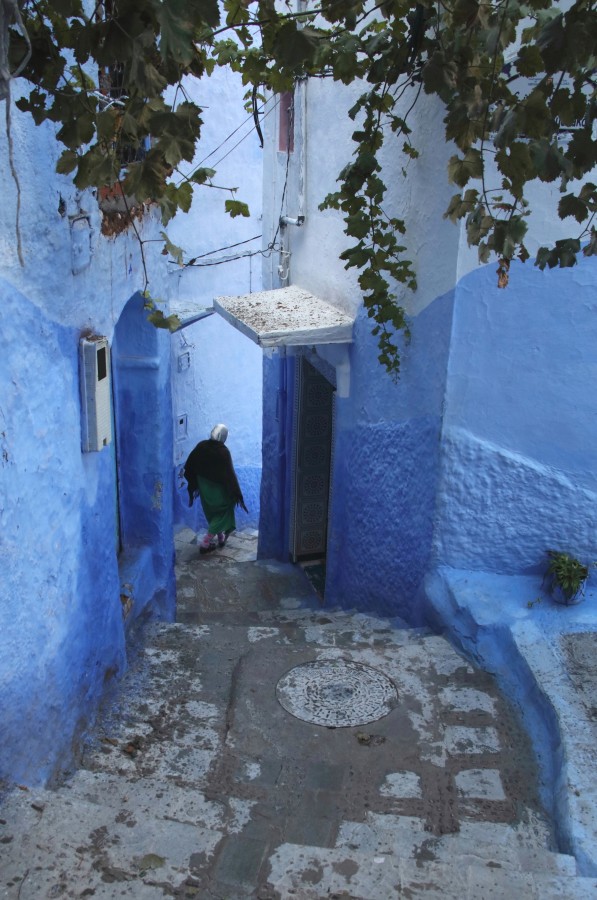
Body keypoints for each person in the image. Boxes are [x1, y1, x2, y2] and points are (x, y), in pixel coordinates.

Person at [183, 424, 248, 554]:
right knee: (225, 511)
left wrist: (197, 482)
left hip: (205, 492)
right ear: (223, 437)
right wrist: (237, 493)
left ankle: (220, 537)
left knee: (213, 513)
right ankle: (206, 542)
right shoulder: (223, 452)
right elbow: (229, 474)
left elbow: (189, 465)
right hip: (218, 492)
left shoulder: (201, 446)